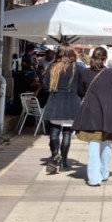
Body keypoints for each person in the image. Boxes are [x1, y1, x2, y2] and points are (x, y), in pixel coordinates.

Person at [73, 47, 112, 187]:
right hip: (109, 112)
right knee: (106, 144)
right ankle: (104, 173)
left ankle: (94, 178)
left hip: (91, 112)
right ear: (105, 59)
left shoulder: (84, 72)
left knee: (93, 145)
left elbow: (79, 91)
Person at [41, 46, 81, 175]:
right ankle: (64, 163)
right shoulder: (77, 68)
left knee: (54, 131)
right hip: (71, 104)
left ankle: (54, 155)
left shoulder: (52, 68)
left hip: (56, 102)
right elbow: (82, 87)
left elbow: (46, 86)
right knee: (67, 133)